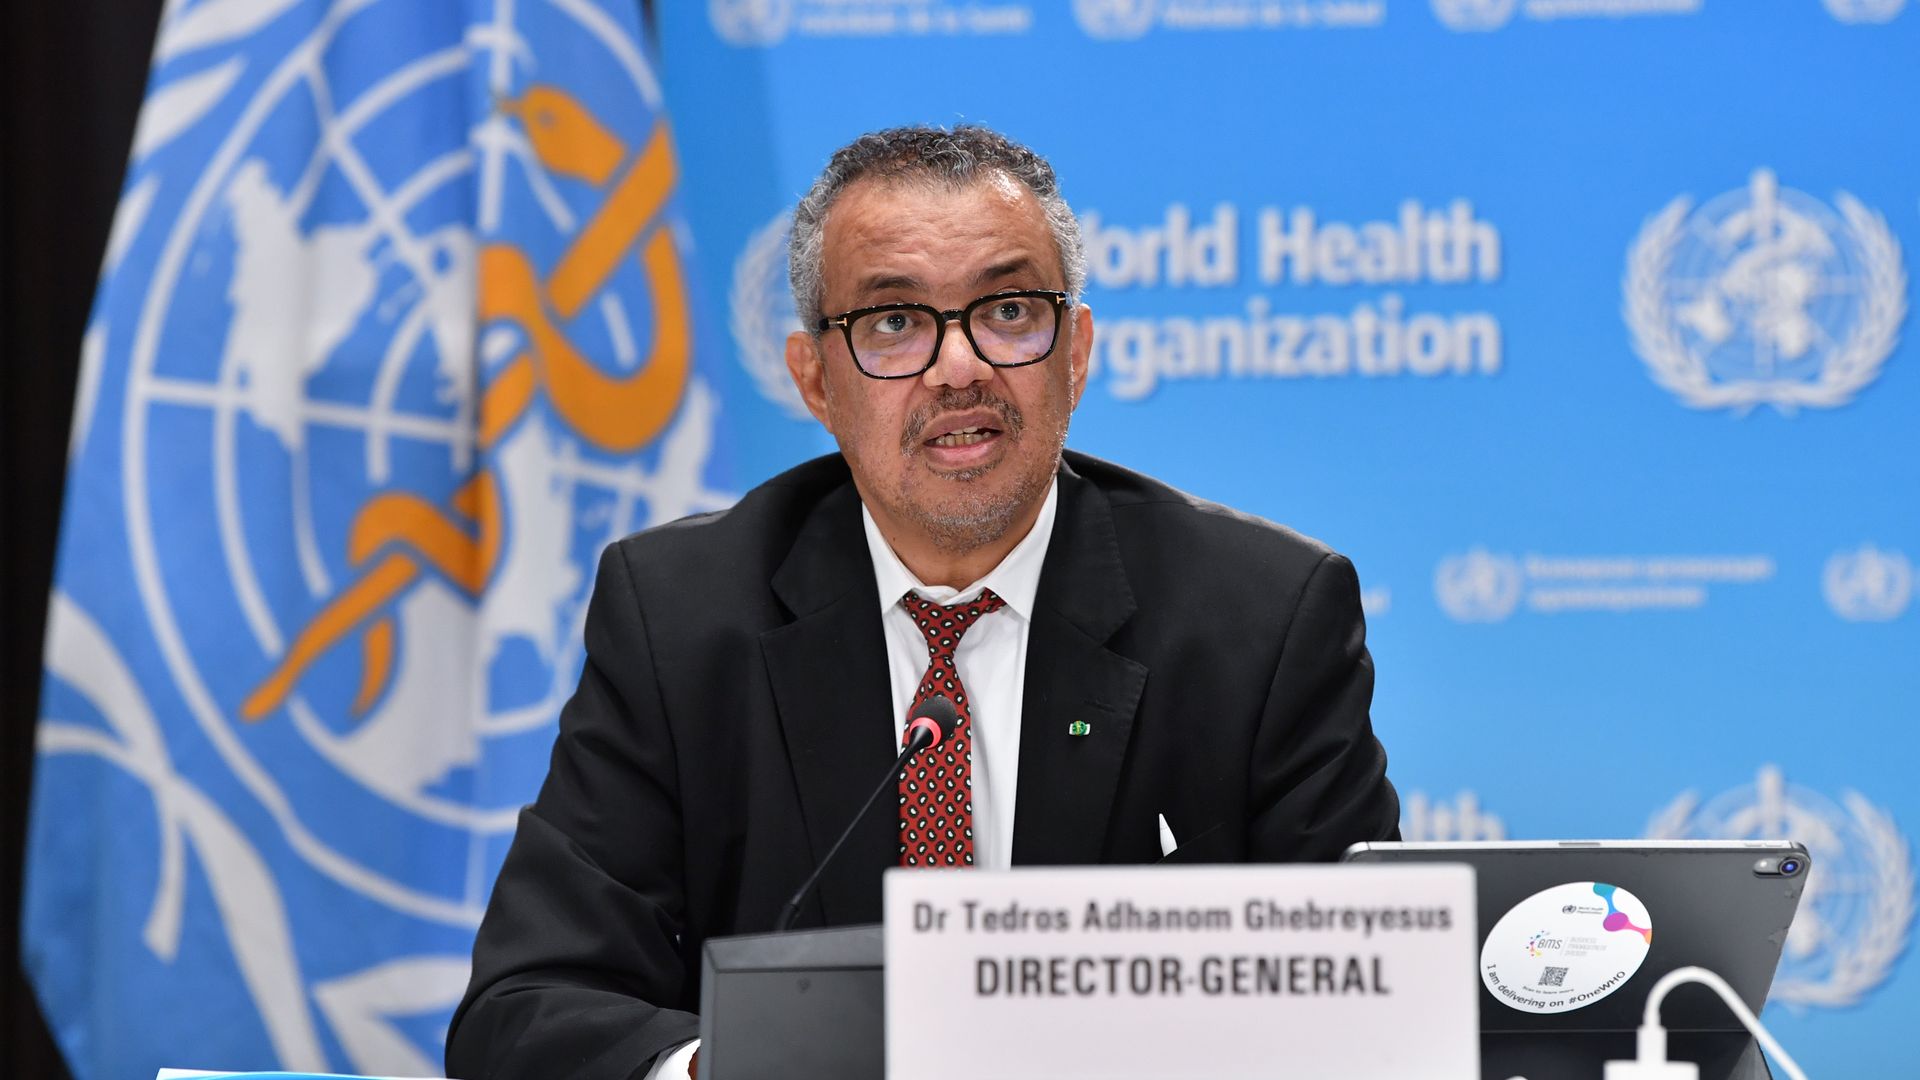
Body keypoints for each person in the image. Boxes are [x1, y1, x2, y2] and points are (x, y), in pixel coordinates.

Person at [445, 125, 1398, 1080]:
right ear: (815, 379)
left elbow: (1378, 1010)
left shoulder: (1264, 619)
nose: (959, 368)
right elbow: (523, 1011)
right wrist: (720, 1070)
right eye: (894, 323)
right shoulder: (683, 620)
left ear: (1077, 352)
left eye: (1010, 310)